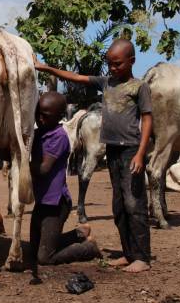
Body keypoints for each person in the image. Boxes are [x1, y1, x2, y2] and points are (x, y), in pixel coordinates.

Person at [34, 39, 152, 273]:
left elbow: (147, 119)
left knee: (134, 203)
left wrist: (140, 153)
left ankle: (142, 257)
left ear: (131, 61)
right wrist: (46, 68)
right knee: (119, 206)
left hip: (131, 149)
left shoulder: (139, 87)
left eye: (117, 64)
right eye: (110, 64)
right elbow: (76, 77)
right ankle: (128, 254)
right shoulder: (107, 83)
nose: (113, 68)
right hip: (113, 150)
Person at [30, 91, 101, 278]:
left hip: (55, 204)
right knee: (33, 250)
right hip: (42, 203)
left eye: (45, 115)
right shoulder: (39, 132)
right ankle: (78, 234)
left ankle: (88, 248)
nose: (40, 118)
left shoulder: (58, 137)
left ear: (59, 116)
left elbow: (44, 168)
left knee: (45, 257)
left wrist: (21, 164)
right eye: (38, 114)